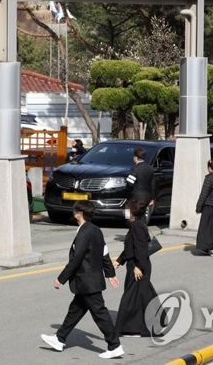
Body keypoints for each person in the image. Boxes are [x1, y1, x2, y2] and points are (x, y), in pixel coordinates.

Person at [41, 201, 124, 359]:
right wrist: (110, 273)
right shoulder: (95, 230)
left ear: (79, 213)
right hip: (88, 281)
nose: (73, 212)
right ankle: (60, 338)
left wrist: (61, 278)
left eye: (75, 210)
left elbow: (76, 259)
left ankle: (115, 346)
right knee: (75, 311)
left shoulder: (84, 232)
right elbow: (104, 253)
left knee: (100, 313)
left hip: (87, 281)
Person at [114, 199, 158, 337]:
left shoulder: (137, 226)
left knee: (131, 297)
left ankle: (131, 328)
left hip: (138, 265)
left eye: (127, 209)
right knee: (143, 294)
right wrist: (120, 261)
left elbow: (140, 249)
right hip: (136, 263)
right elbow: (130, 248)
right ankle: (155, 323)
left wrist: (138, 266)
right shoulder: (136, 224)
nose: (125, 212)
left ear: (132, 211)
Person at [126, 147, 155, 221]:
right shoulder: (150, 169)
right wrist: (152, 198)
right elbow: (153, 184)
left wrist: (128, 194)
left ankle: (130, 225)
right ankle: (142, 225)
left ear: (136, 158)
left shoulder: (135, 169)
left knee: (127, 211)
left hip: (136, 197)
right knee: (142, 214)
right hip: (147, 197)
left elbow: (129, 183)